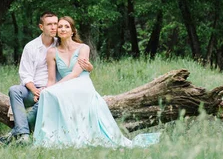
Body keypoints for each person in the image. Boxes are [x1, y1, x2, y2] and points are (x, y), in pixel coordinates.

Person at [33, 16, 160, 148]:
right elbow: (51, 80)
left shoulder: (83, 48)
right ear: (57, 31)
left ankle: (71, 134)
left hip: (81, 82)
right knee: (47, 94)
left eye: (67, 26)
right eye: (60, 27)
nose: (63, 29)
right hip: (66, 84)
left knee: (54, 92)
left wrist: (54, 88)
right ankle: (50, 136)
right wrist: (45, 90)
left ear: (73, 31)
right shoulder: (52, 52)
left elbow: (76, 73)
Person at [0, 12, 93, 145]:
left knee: (46, 96)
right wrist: (35, 90)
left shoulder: (61, 42)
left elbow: (74, 67)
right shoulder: (31, 47)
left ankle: (18, 133)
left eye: (56, 24)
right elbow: (25, 75)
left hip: (54, 88)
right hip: (32, 89)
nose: (54, 27)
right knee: (14, 90)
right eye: (50, 24)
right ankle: (24, 134)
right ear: (41, 27)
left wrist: (89, 68)